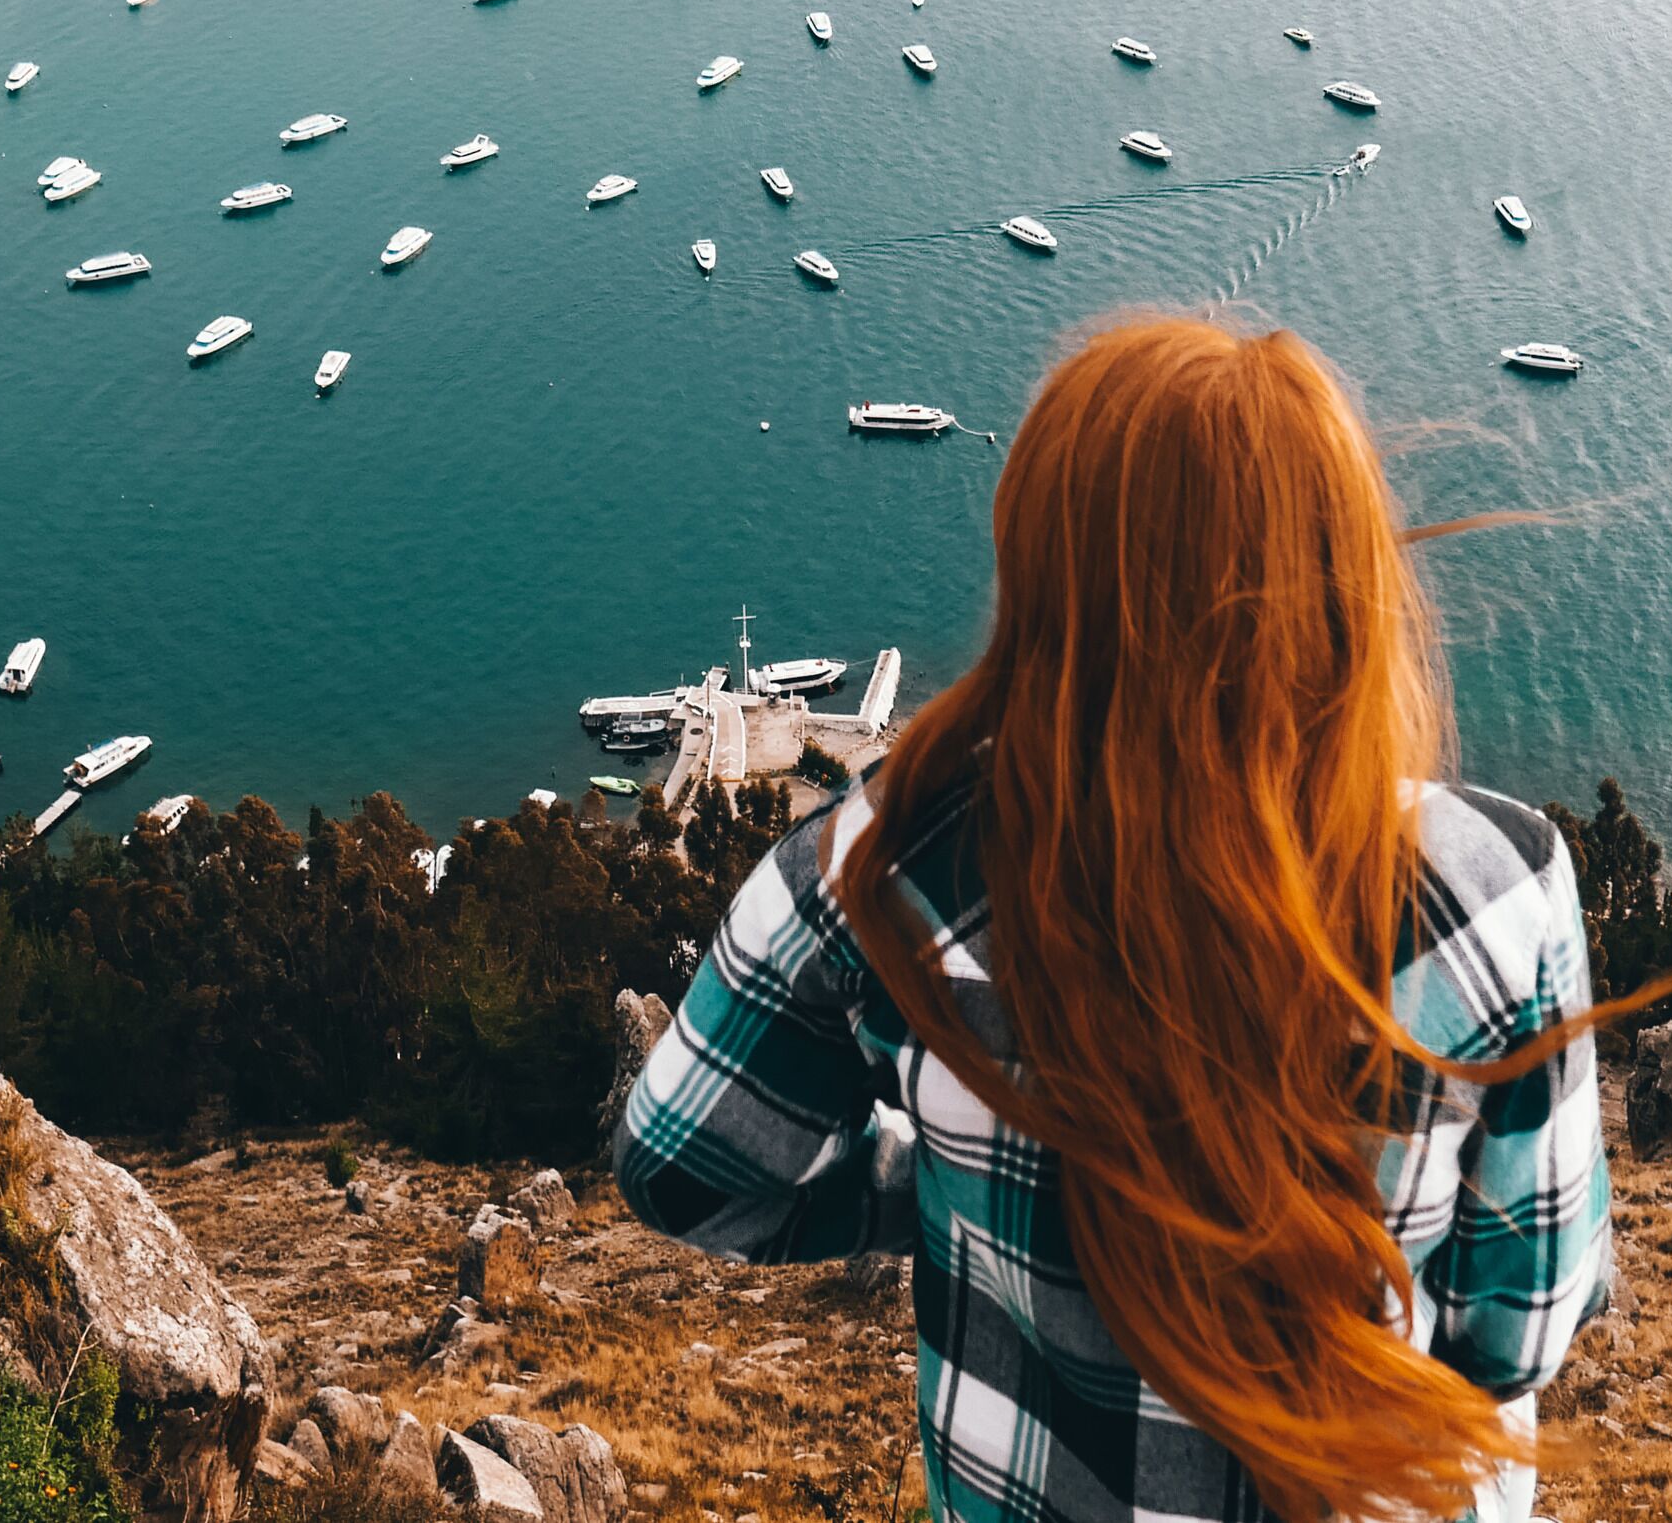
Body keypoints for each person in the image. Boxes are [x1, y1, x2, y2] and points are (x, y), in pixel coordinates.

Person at [615, 314, 1609, 1523]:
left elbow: (682, 1169)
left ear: (1044, 570)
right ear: (1344, 576)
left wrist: (935, 1189)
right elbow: (1520, 1335)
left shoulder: (891, 864)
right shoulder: (1496, 889)